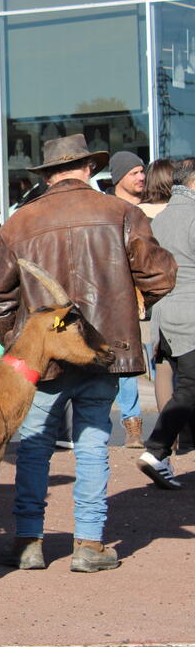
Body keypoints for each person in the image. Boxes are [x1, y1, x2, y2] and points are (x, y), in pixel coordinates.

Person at [0, 134, 175, 573]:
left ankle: (28, 542)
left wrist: (25, 345)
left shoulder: (18, 223)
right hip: (104, 352)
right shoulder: (122, 213)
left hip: (45, 359)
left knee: (33, 447)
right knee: (92, 442)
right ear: (88, 168)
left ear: (48, 175)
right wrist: (137, 305)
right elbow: (161, 274)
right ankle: (89, 544)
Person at [138, 158, 195, 489]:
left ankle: (166, 453)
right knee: (189, 387)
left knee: (177, 380)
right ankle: (157, 449)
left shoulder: (160, 219)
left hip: (164, 313)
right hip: (190, 315)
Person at [108, 150, 149, 447]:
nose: (141, 177)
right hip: (118, 297)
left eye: (142, 171)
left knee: (157, 361)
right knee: (124, 363)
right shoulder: (109, 209)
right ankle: (132, 425)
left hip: (152, 296)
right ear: (119, 177)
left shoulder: (152, 208)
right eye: (134, 172)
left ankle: (174, 429)